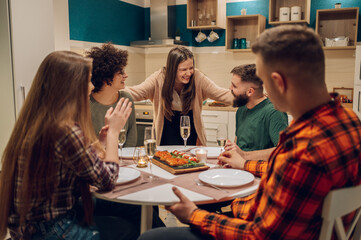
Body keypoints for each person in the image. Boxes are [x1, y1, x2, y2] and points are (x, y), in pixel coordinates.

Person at [137, 25, 361, 240]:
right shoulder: (349, 122)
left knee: (150, 237)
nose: (262, 93)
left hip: (261, 233)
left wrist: (194, 215)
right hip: (297, 226)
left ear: (279, 83)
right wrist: (244, 165)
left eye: (264, 83)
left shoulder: (302, 151)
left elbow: (258, 235)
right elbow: (279, 169)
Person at [0, 51, 139, 240]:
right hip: (52, 229)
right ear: (72, 86)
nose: (91, 86)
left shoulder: (37, 122)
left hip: (31, 225)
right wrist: (114, 133)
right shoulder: (64, 130)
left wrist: (101, 143)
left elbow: (76, 164)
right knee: (127, 228)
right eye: (88, 80)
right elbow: (107, 181)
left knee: (133, 208)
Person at [125, 46, 233, 146]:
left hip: (192, 138)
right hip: (164, 138)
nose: (189, 73)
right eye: (183, 69)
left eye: (191, 68)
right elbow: (136, 92)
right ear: (172, 69)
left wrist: (245, 95)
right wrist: (112, 87)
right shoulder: (159, 78)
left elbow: (221, 94)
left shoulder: (197, 78)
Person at [225, 64, 288, 161]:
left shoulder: (274, 112)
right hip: (240, 169)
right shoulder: (241, 109)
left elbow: (284, 151)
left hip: (260, 171)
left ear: (250, 92)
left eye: (234, 86)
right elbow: (238, 142)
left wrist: (244, 155)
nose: (230, 88)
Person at [87, 43, 137, 147]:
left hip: (122, 161)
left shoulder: (126, 99)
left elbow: (131, 137)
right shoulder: (86, 103)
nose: (126, 75)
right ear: (106, 78)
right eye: (120, 72)